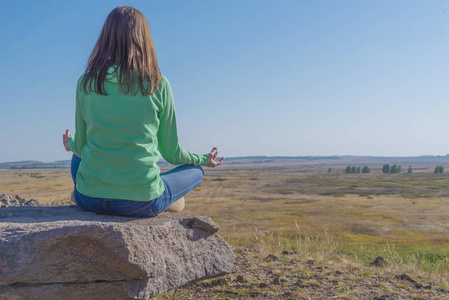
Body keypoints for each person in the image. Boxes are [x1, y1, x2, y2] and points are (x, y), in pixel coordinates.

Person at [62, 6, 224, 217]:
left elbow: (82, 146)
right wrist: (204, 159)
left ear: (105, 37)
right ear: (144, 38)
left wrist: (70, 144)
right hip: (140, 203)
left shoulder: (85, 82)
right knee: (196, 171)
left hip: (88, 199)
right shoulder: (158, 83)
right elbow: (171, 153)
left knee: (78, 155)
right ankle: (165, 197)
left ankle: (102, 189)